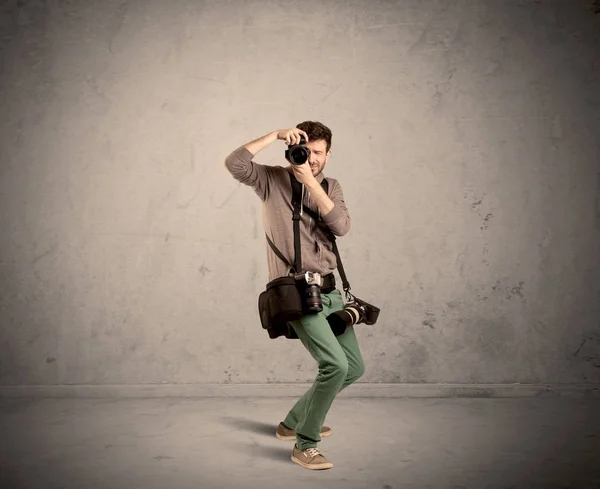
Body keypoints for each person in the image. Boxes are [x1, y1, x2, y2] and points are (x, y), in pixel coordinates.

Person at [224, 121, 365, 470]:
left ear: (328, 154)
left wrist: (310, 182)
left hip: (330, 292)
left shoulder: (330, 186)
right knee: (334, 366)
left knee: (353, 369)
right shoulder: (271, 180)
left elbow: (341, 226)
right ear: (291, 150)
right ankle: (306, 443)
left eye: (319, 153)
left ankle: (291, 424)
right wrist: (274, 135)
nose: (311, 158)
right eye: (305, 151)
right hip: (296, 292)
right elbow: (234, 163)